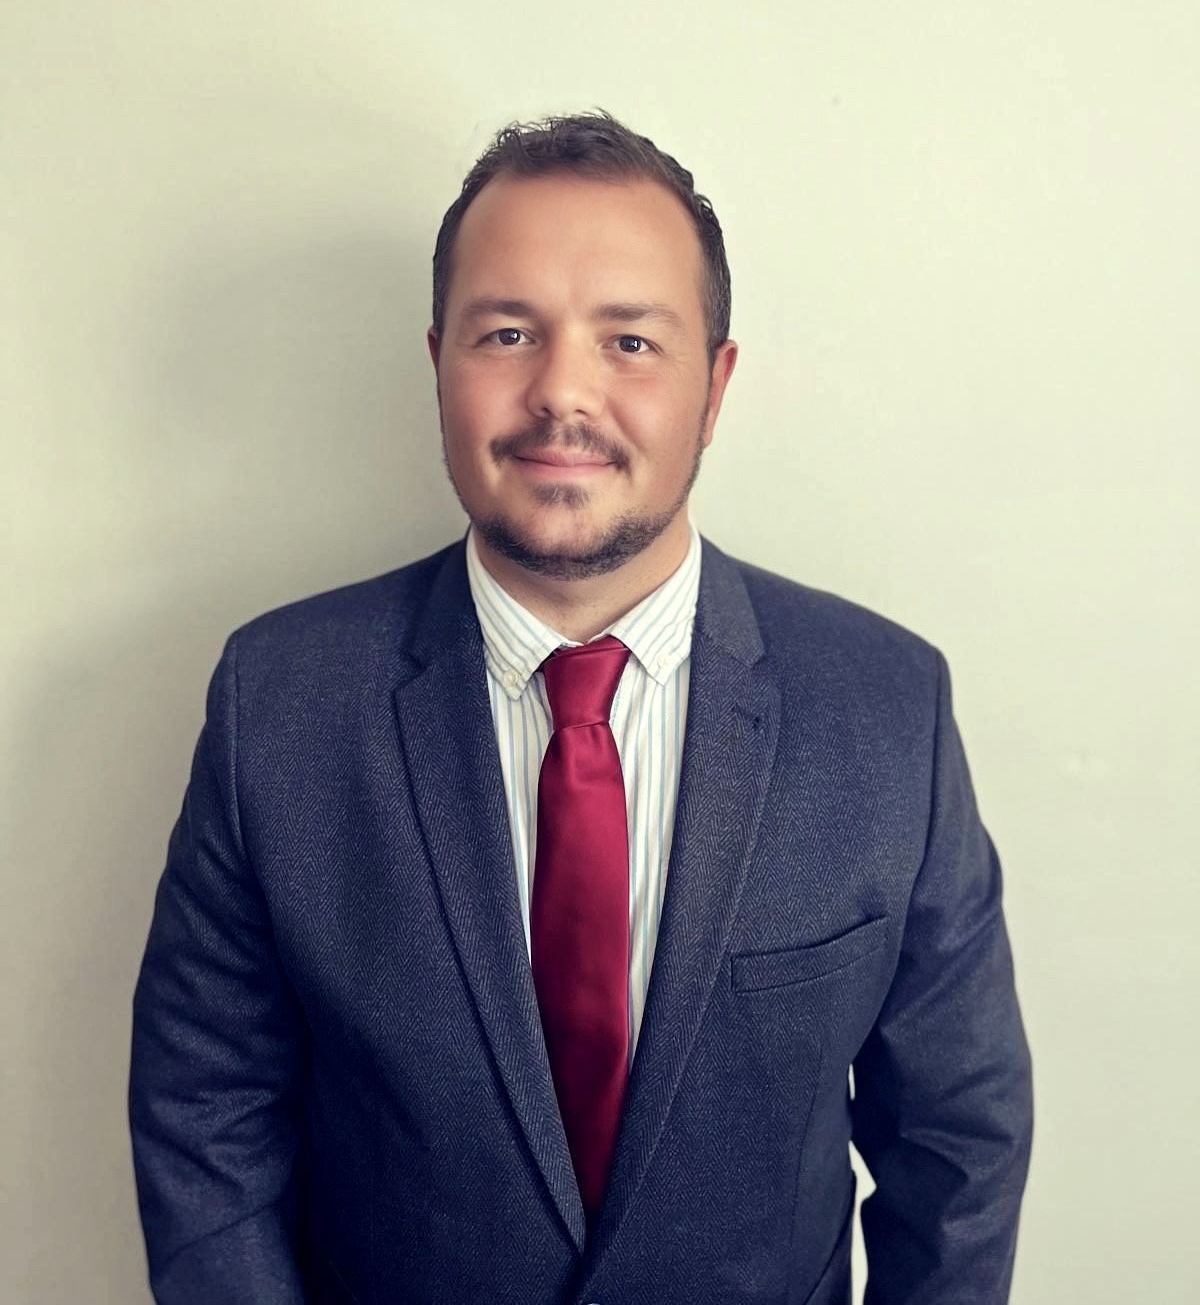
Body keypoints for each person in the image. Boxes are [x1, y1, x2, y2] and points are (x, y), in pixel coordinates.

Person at [129, 112, 1033, 1305]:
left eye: (631, 342)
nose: (563, 391)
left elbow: (958, 1146)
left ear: (714, 386)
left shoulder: (885, 707)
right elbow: (205, 1121)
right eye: (508, 333)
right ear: (438, 360)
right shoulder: (278, 702)